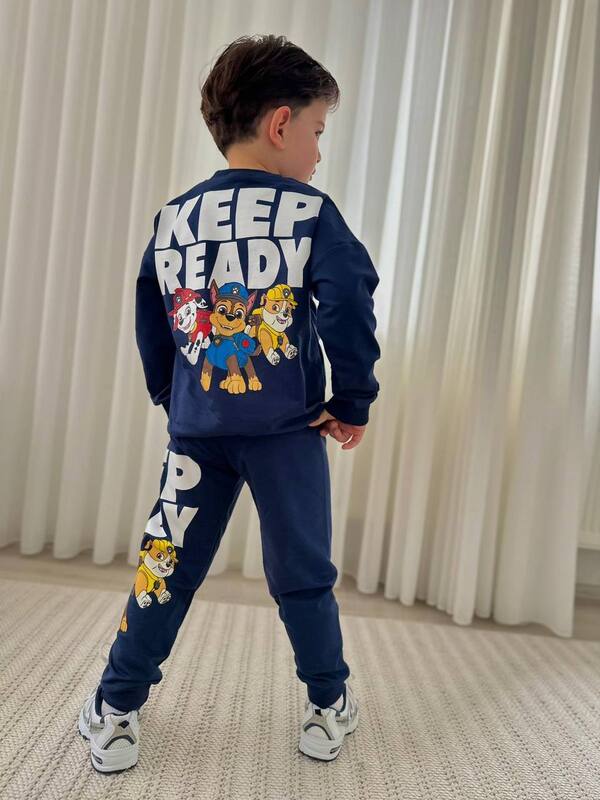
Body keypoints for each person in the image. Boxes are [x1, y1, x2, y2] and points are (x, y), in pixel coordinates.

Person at [78, 33, 380, 772]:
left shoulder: (175, 216)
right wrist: (353, 399)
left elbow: (152, 313)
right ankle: (327, 702)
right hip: (287, 432)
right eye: (317, 131)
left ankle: (115, 707)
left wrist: (173, 394)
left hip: (198, 433)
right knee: (303, 576)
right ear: (280, 125)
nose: (318, 152)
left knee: (165, 565)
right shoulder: (310, 211)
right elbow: (348, 301)